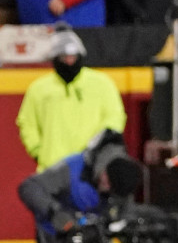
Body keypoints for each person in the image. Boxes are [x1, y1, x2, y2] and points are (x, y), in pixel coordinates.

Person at [16, 129, 171, 243]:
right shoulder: (72, 168)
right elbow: (29, 187)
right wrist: (56, 213)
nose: (107, 191)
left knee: (157, 222)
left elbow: (124, 213)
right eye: (108, 186)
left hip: (93, 239)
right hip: (58, 237)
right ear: (104, 172)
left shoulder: (120, 179)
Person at [17, 26, 127, 172]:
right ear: (55, 58)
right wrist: (39, 152)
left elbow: (115, 117)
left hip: (91, 167)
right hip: (52, 168)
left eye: (73, 57)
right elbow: (26, 123)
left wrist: (98, 146)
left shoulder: (102, 84)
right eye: (64, 57)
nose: (69, 62)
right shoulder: (39, 88)